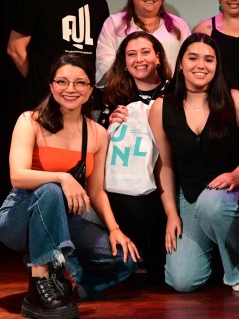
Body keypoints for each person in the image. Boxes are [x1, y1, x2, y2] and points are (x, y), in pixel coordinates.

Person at [0, 54, 138, 319]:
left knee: (125, 259)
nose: (70, 89)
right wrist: (63, 177)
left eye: (79, 83)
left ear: (90, 89)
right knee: (51, 189)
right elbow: (17, 177)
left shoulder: (97, 133)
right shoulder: (30, 120)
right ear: (51, 86)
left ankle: (67, 278)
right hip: (19, 216)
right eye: (62, 82)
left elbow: (96, 192)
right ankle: (38, 287)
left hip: (63, 219)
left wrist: (115, 229)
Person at [148, 33, 239, 292]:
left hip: (233, 191)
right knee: (183, 281)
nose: (200, 65)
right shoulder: (161, 107)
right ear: (181, 63)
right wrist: (171, 213)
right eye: (193, 58)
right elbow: (165, 165)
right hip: (189, 196)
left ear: (217, 65)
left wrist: (236, 175)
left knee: (212, 203)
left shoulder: (235, 99)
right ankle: (218, 253)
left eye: (209, 59)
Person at [98, 31, 173, 280]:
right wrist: (110, 124)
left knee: (167, 270)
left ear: (158, 57)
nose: (139, 59)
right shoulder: (114, 97)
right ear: (124, 62)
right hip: (127, 188)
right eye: (132, 54)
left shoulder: (176, 92)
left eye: (145, 52)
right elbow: (99, 143)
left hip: (169, 182)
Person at [7, 0, 110, 110]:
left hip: (83, 101)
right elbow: (15, 49)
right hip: (43, 101)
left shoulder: (99, 4)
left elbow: (101, 53)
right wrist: (41, 82)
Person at [95, 0, 191, 88]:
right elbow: (104, 61)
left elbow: (189, 59)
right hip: (126, 92)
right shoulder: (114, 23)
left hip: (170, 93)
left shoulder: (179, 25)